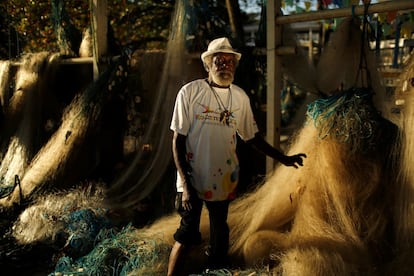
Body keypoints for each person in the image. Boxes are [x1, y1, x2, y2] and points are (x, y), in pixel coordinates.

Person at [167, 37, 306, 275]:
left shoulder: (240, 97)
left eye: (230, 61)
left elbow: (252, 138)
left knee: (220, 235)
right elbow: (177, 141)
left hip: (221, 181)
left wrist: (284, 159)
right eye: (219, 60)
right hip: (191, 179)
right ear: (208, 65)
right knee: (187, 235)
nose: (225, 65)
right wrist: (186, 185)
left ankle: (214, 271)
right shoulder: (190, 92)